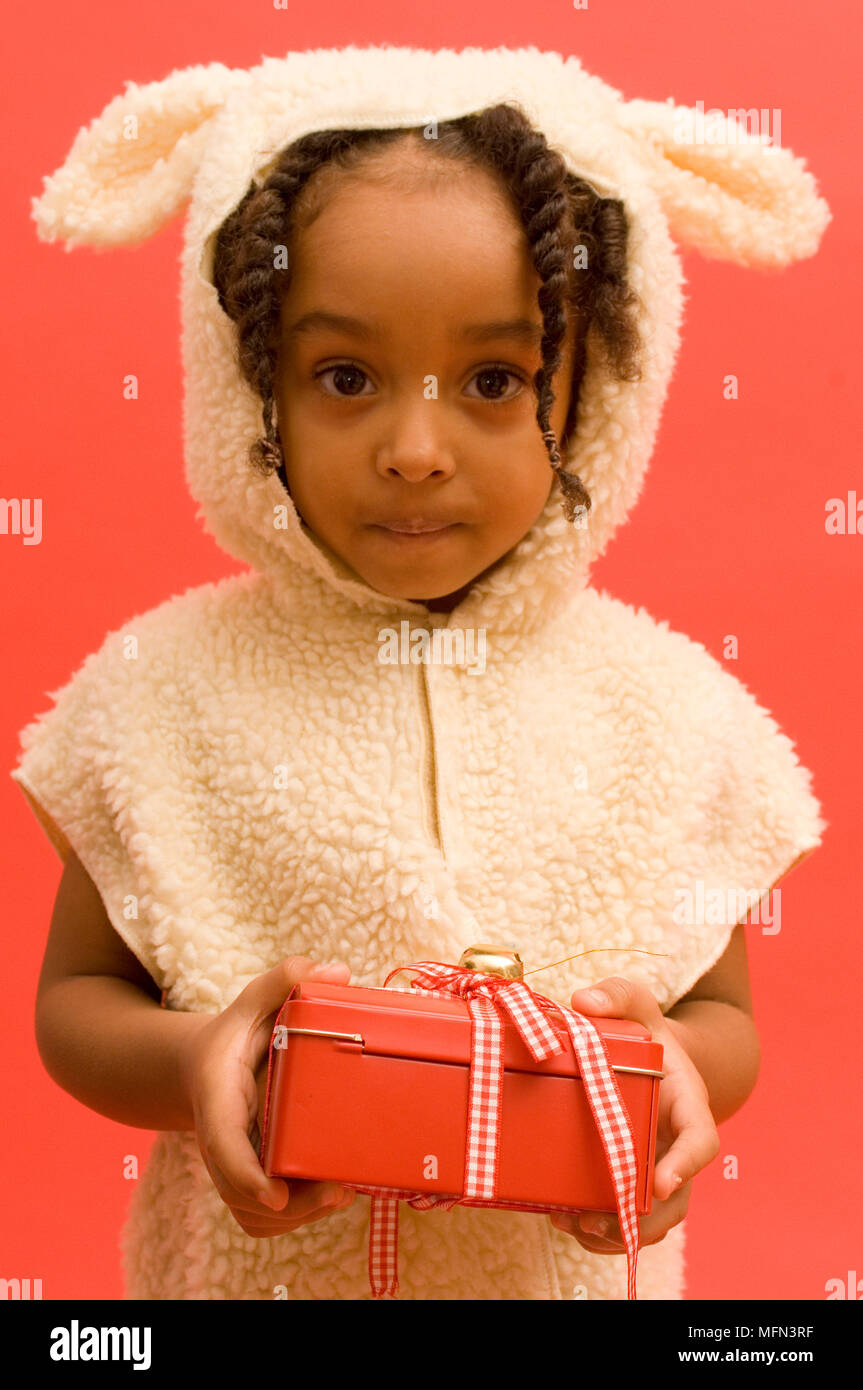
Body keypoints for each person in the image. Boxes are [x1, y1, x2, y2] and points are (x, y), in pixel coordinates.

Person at [12, 45, 829, 1300]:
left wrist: (670, 1071)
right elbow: (76, 999)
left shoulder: (664, 709)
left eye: (493, 381)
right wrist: (194, 1061)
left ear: (590, 394)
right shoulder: (161, 695)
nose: (411, 448)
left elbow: (724, 1022)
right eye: (345, 377)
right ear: (255, 389)